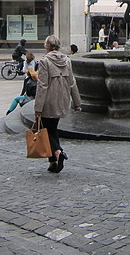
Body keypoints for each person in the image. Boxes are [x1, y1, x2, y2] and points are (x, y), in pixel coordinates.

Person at [34, 35, 82, 173]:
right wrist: (76, 102)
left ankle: (58, 152)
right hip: (62, 100)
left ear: (47, 47)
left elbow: (42, 86)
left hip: (48, 101)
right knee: (52, 129)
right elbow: (72, 82)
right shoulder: (67, 60)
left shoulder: (44, 62)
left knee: (46, 130)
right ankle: (53, 162)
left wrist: (38, 107)